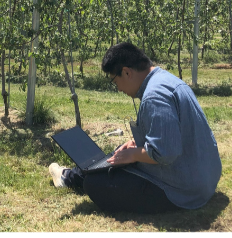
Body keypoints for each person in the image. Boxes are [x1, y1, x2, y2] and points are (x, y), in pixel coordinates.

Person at [47, 42, 222, 214]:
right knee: (120, 154)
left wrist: (134, 154)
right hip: (203, 179)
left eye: (115, 82)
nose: (119, 89)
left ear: (126, 72)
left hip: (183, 190)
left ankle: (70, 178)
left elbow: (166, 153)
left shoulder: (154, 97)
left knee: (95, 184)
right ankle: (69, 177)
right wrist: (135, 146)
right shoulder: (167, 81)